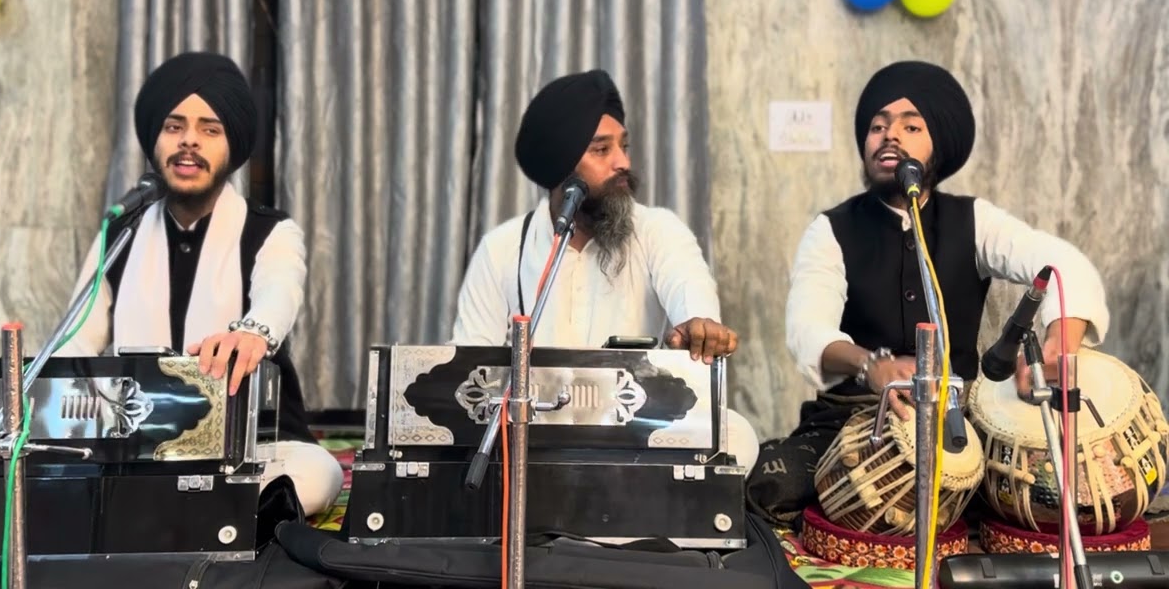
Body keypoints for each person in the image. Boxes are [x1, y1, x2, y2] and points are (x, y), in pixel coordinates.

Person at [746, 59, 1109, 529]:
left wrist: (1061, 340)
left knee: (1061, 491)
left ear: (938, 147)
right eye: (877, 126)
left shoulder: (974, 221)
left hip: (962, 423)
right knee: (773, 488)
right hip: (856, 419)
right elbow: (807, 330)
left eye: (910, 125)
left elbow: (1061, 264)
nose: (888, 135)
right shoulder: (831, 230)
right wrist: (869, 365)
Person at [57, 52, 342, 517]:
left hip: (252, 444)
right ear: (155, 139)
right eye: (174, 126)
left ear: (231, 147)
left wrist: (253, 333)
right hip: (138, 440)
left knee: (316, 474)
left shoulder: (269, 231)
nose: (189, 141)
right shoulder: (120, 233)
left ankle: (170, 510)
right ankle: (199, 511)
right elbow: (76, 343)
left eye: (210, 129)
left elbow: (279, 291)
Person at [451, 69, 760, 473]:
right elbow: (469, 367)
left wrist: (699, 325)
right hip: (534, 434)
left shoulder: (657, 230)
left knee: (738, 438)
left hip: (638, 432)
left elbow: (690, 291)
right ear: (562, 168)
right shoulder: (503, 248)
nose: (623, 163)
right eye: (602, 150)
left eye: (624, 146)